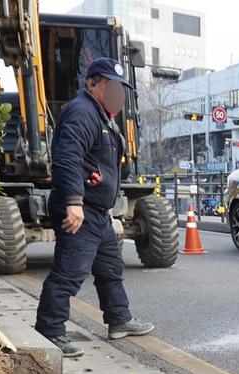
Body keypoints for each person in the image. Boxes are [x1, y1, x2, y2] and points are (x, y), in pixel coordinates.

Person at [34, 57, 153, 357]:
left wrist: (108, 204)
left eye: (120, 88)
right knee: (69, 273)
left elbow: (101, 165)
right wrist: (75, 203)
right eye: (110, 86)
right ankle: (50, 330)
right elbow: (68, 159)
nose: (117, 94)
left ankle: (119, 319)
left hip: (98, 212)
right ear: (91, 83)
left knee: (111, 270)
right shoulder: (81, 112)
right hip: (80, 211)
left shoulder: (103, 117)